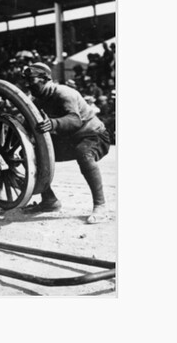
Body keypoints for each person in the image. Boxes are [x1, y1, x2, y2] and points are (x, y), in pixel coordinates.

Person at [22, 62, 112, 224]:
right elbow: (27, 125)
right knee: (33, 155)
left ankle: (100, 206)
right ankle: (49, 201)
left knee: (84, 153)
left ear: (45, 79)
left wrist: (53, 123)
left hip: (94, 135)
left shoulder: (64, 93)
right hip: (70, 139)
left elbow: (75, 120)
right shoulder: (38, 100)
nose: (28, 85)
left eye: (31, 80)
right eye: (26, 81)